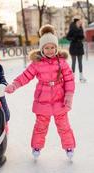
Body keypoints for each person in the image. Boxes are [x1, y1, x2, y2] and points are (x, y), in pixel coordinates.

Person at [5, 24, 76, 160]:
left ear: (56, 47)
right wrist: (14, 85)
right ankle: (36, 146)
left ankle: (69, 147)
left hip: (60, 100)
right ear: (42, 48)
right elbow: (26, 76)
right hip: (42, 100)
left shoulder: (62, 63)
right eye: (47, 47)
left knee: (64, 126)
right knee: (40, 126)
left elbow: (69, 79)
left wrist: (69, 95)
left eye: (52, 47)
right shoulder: (37, 63)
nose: (50, 50)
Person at [66, 18, 86, 83]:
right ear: (75, 22)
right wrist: (73, 38)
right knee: (73, 62)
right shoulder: (72, 29)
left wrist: (81, 37)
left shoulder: (81, 28)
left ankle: (81, 77)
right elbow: (67, 37)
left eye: (80, 21)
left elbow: (83, 36)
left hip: (80, 47)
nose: (80, 22)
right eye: (78, 21)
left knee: (80, 62)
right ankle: (72, 77)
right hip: (73, 47)